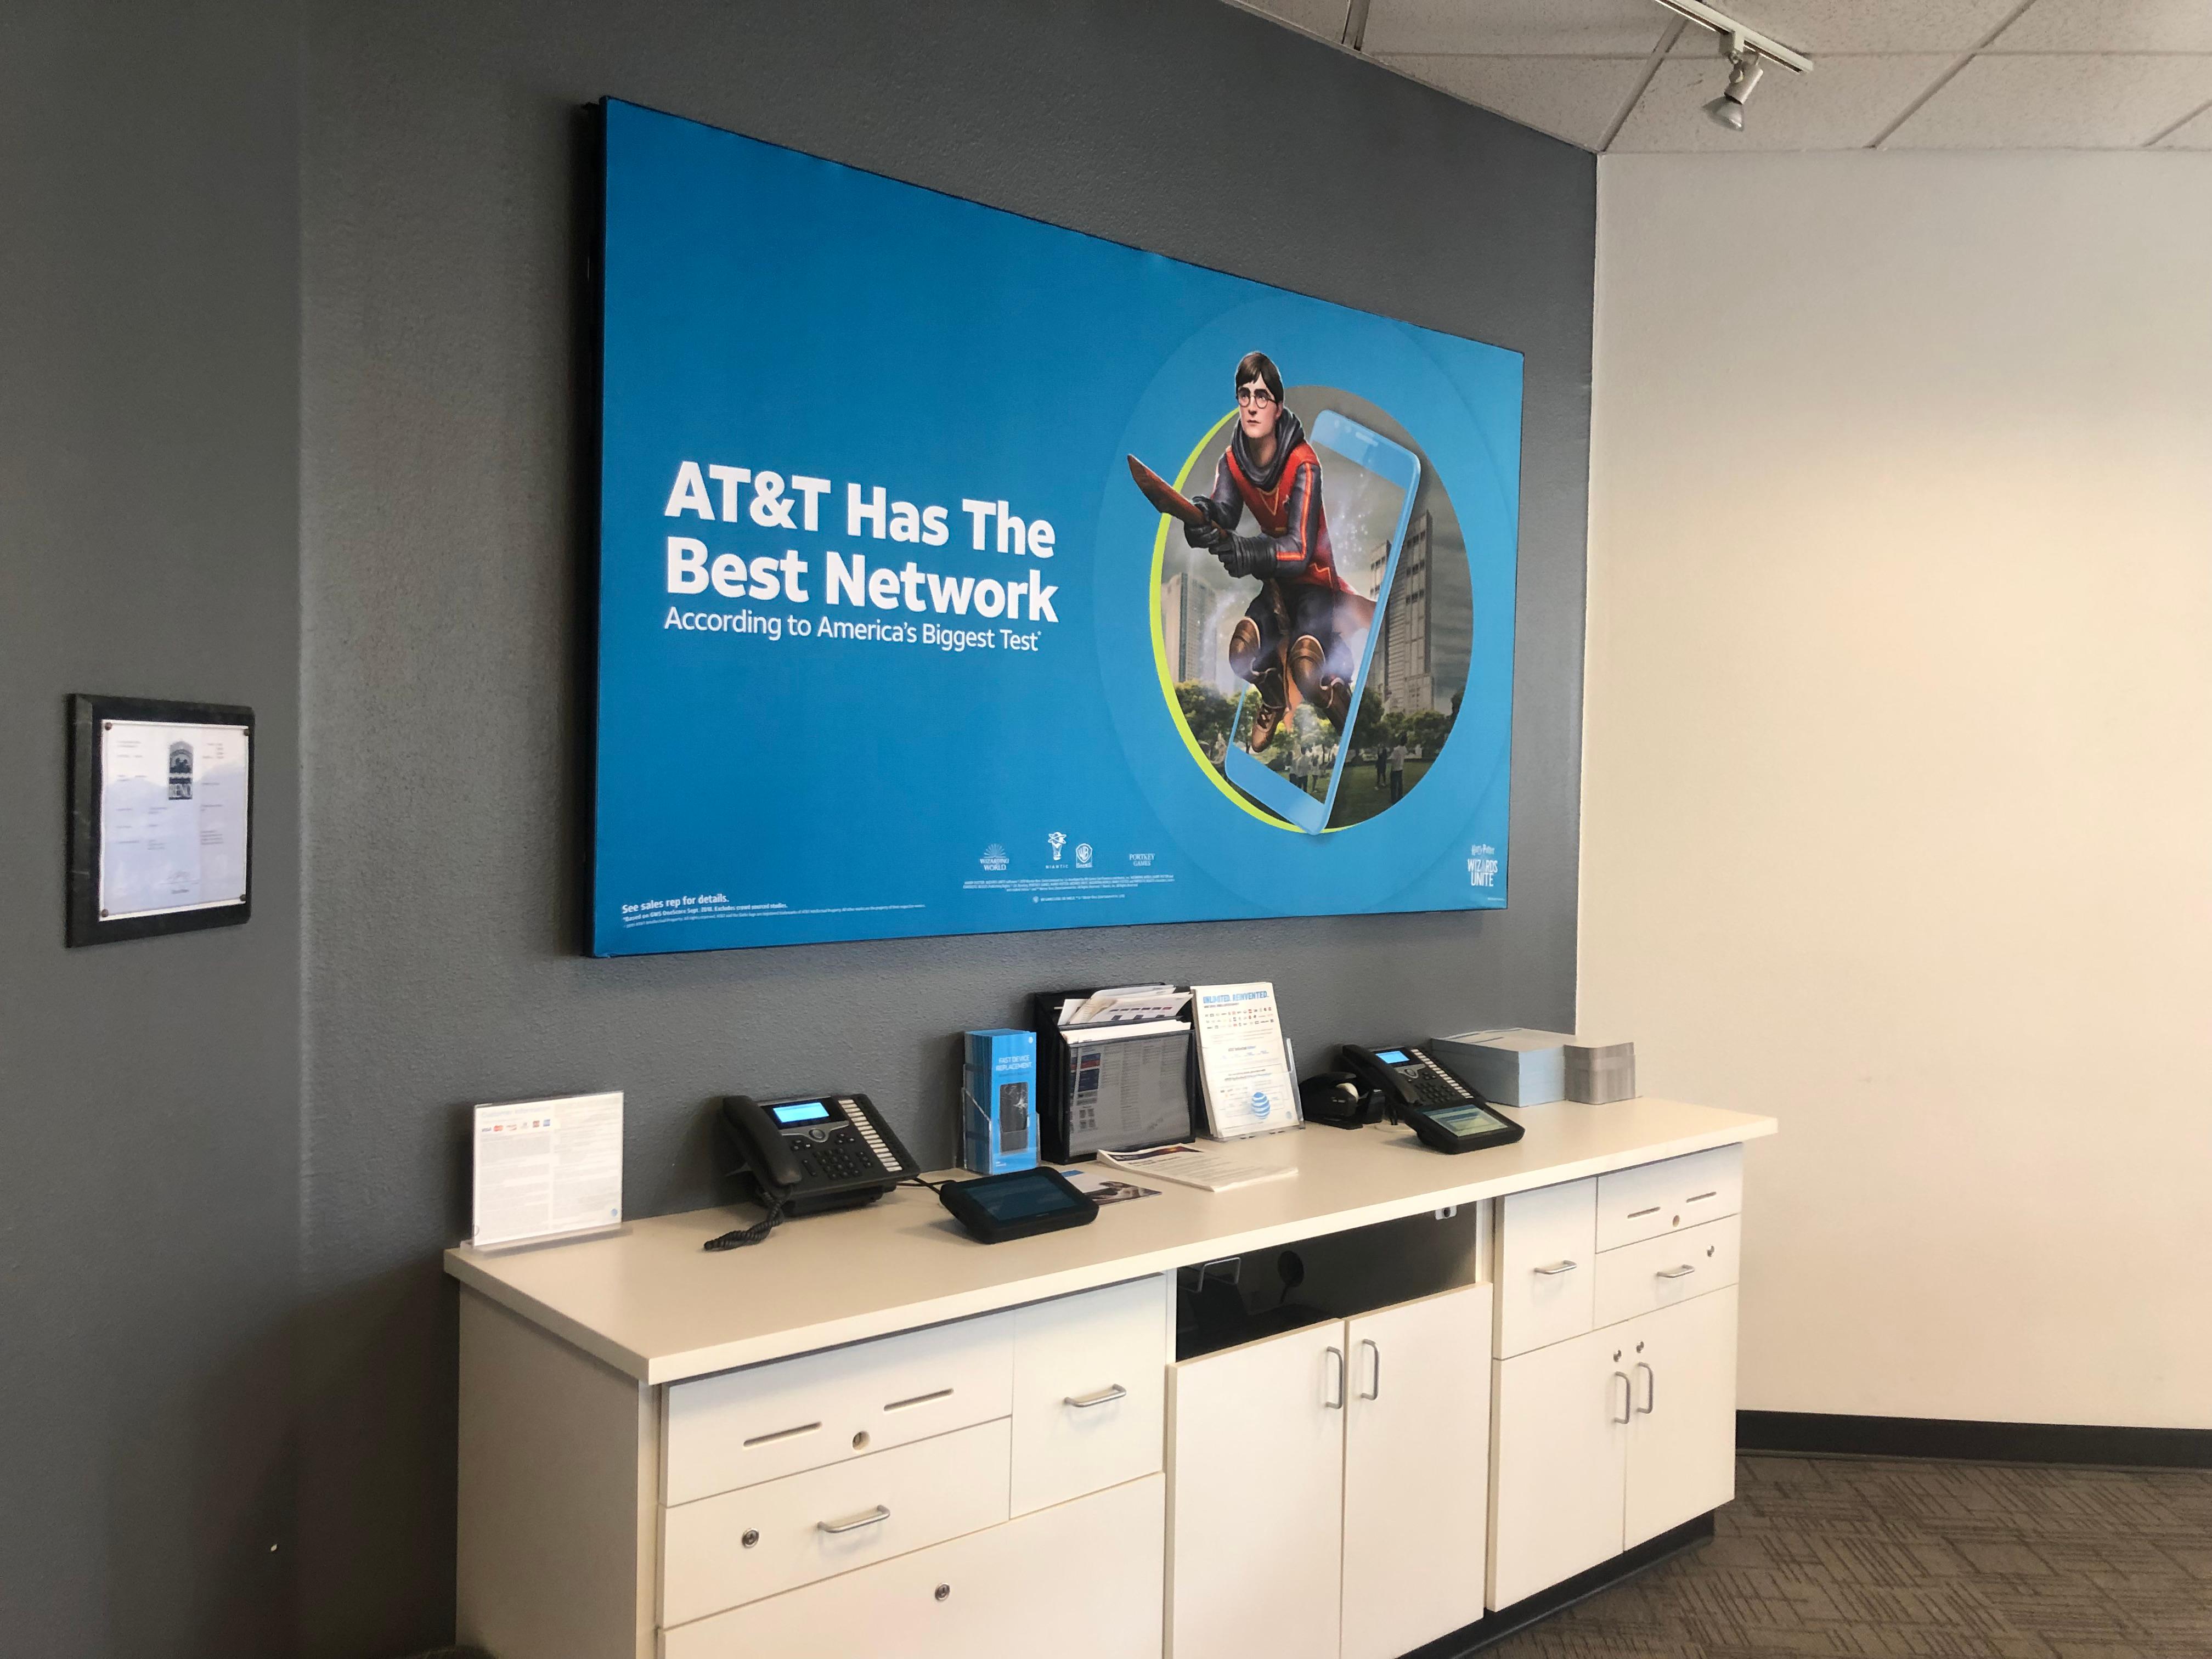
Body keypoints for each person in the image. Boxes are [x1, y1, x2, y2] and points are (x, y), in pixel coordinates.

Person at [1183, 352, 1357, 749]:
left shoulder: (1304, 464)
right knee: (1241, 652)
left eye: (1262, 396)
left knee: (1307, 668)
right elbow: (1224, 512)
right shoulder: (1233, 461)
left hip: (1314, 583)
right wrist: (1202, 518)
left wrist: (1248, 553)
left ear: (1277, 407)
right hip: (1277, 584)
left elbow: (1300, 550)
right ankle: (1274, 697)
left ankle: (1334, 696)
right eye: (1244, 395)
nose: (1252, 406)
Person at [1389, 738, 1408, 804]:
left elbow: (1393, 759)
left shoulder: (1396, 750)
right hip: (1401, 768)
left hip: (1395, 769)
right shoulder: (1404, 749)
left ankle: (1394, 799)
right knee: (1400, 783)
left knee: (1394, 785)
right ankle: (1400, 796)